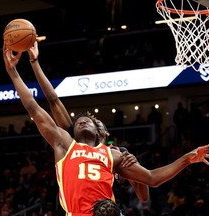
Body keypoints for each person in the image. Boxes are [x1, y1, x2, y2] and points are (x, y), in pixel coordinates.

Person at [3, 44, 209, 216]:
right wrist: (14, 71)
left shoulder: (114, 155)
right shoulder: (64, 143)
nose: (82, 121)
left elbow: (151, 178)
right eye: (78, 121)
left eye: (88, 121)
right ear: (72, 130)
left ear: (100, 132)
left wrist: (187, 159)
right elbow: (35, 104)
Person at [27, 41, 150, 204]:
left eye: (95, 121)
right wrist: (35, 62)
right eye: (85, 121)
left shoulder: (118, 152)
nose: (89, 122)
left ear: (104, 132)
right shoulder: (74, 141)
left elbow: (143, 196)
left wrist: (138, 168)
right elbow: (53, 100)